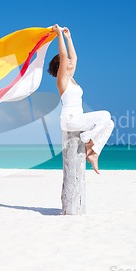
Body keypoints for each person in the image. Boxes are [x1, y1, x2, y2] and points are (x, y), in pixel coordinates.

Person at [47, 24, 114, 174]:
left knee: (109, 124)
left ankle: (94, 152)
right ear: (60, 65)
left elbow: (74, 57)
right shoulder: (61, 80)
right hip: (69, 120)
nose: (70, 60)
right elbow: (64, 56)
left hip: (78, 118)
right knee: (106, 115)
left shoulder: (71, 79)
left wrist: (68, 37)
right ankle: (86, 139)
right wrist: (58, 35)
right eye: (66, 61)